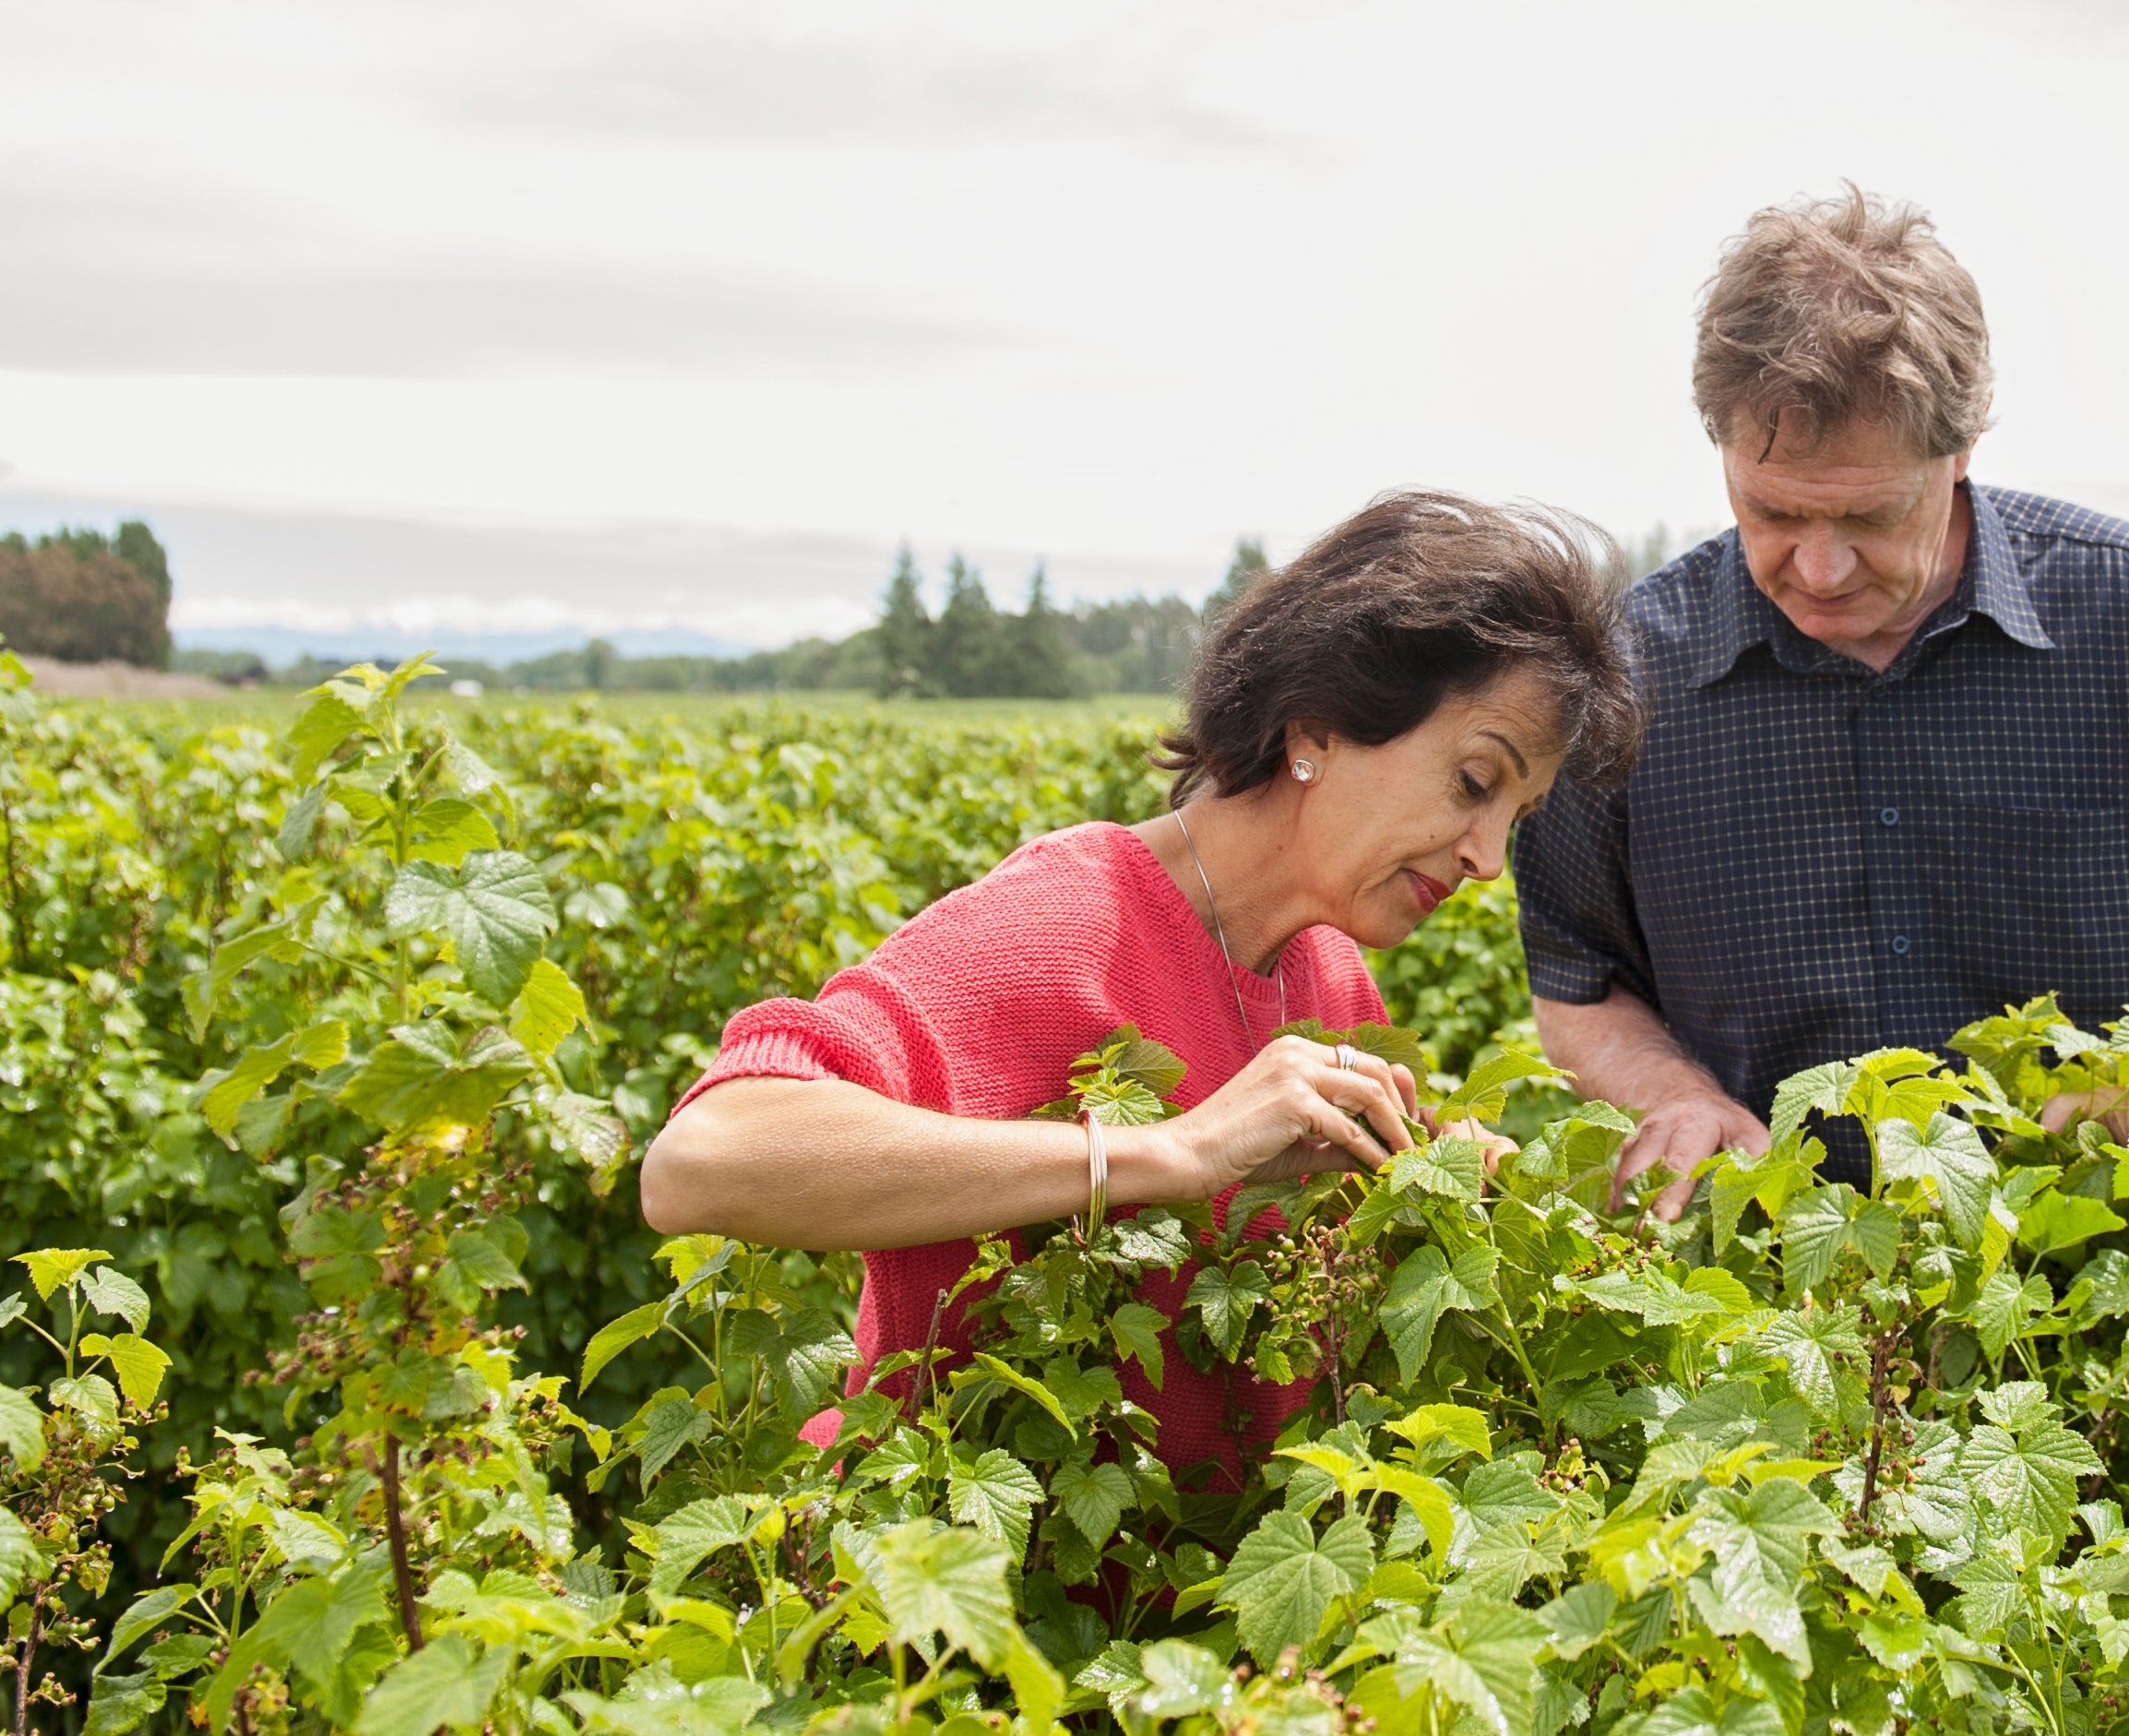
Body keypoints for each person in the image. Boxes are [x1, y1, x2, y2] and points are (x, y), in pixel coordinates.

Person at [636, 493, 1640, 1492]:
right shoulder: (1065, 925)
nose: (1485, 859)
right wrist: (1168, 1152)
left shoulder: (1328, 978)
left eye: (1518, 815)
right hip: (933, 1617)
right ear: (1322, 721)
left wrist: (1440, 1202)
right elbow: (704, 1159)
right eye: (1474, 781)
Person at [1515, 188, 2129, 1262]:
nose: (1817, 566)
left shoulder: (2118, 607)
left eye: (1866, 516)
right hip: (1768, 1294)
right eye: (1771, 512)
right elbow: (1581, 988)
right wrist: (1673, 1095)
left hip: (2078, 1271)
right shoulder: (1631, 670)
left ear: (1957, 454)